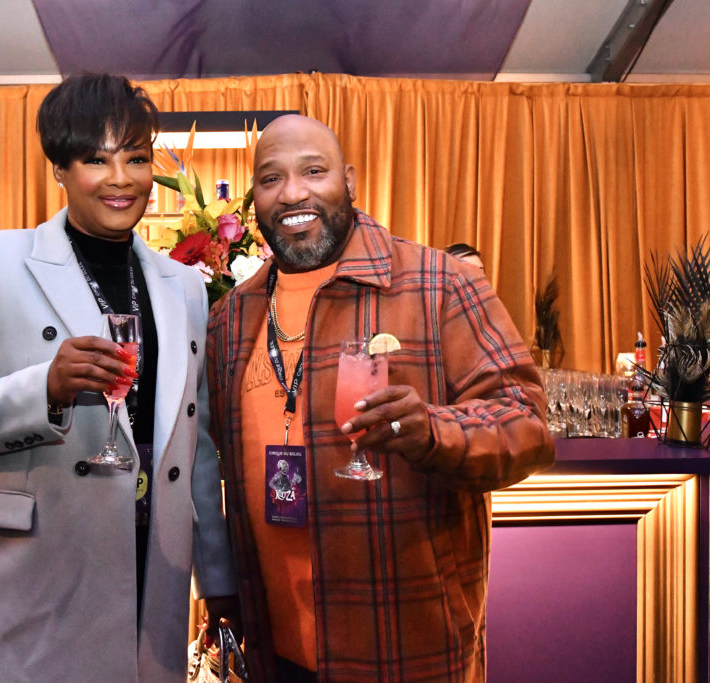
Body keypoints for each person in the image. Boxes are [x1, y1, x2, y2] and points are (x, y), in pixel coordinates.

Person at [205, 115, 555, 682]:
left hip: (405, 649)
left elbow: (527, 428)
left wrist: (432, 431)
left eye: (313, 171)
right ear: (254, 200)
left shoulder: (439, 286)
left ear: (349, 180)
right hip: (276, 654)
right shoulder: (230, 318)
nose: (293, 192)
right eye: (271, 179)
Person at [0, 74, 236, 682]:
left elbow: (198, 446)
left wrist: (218, 580)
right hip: (38, 574)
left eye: (136, 158)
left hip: (151, 574)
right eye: (96, 158)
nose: (121, 179)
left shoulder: (185, 285)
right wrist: (45, 389)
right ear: (59, 168)